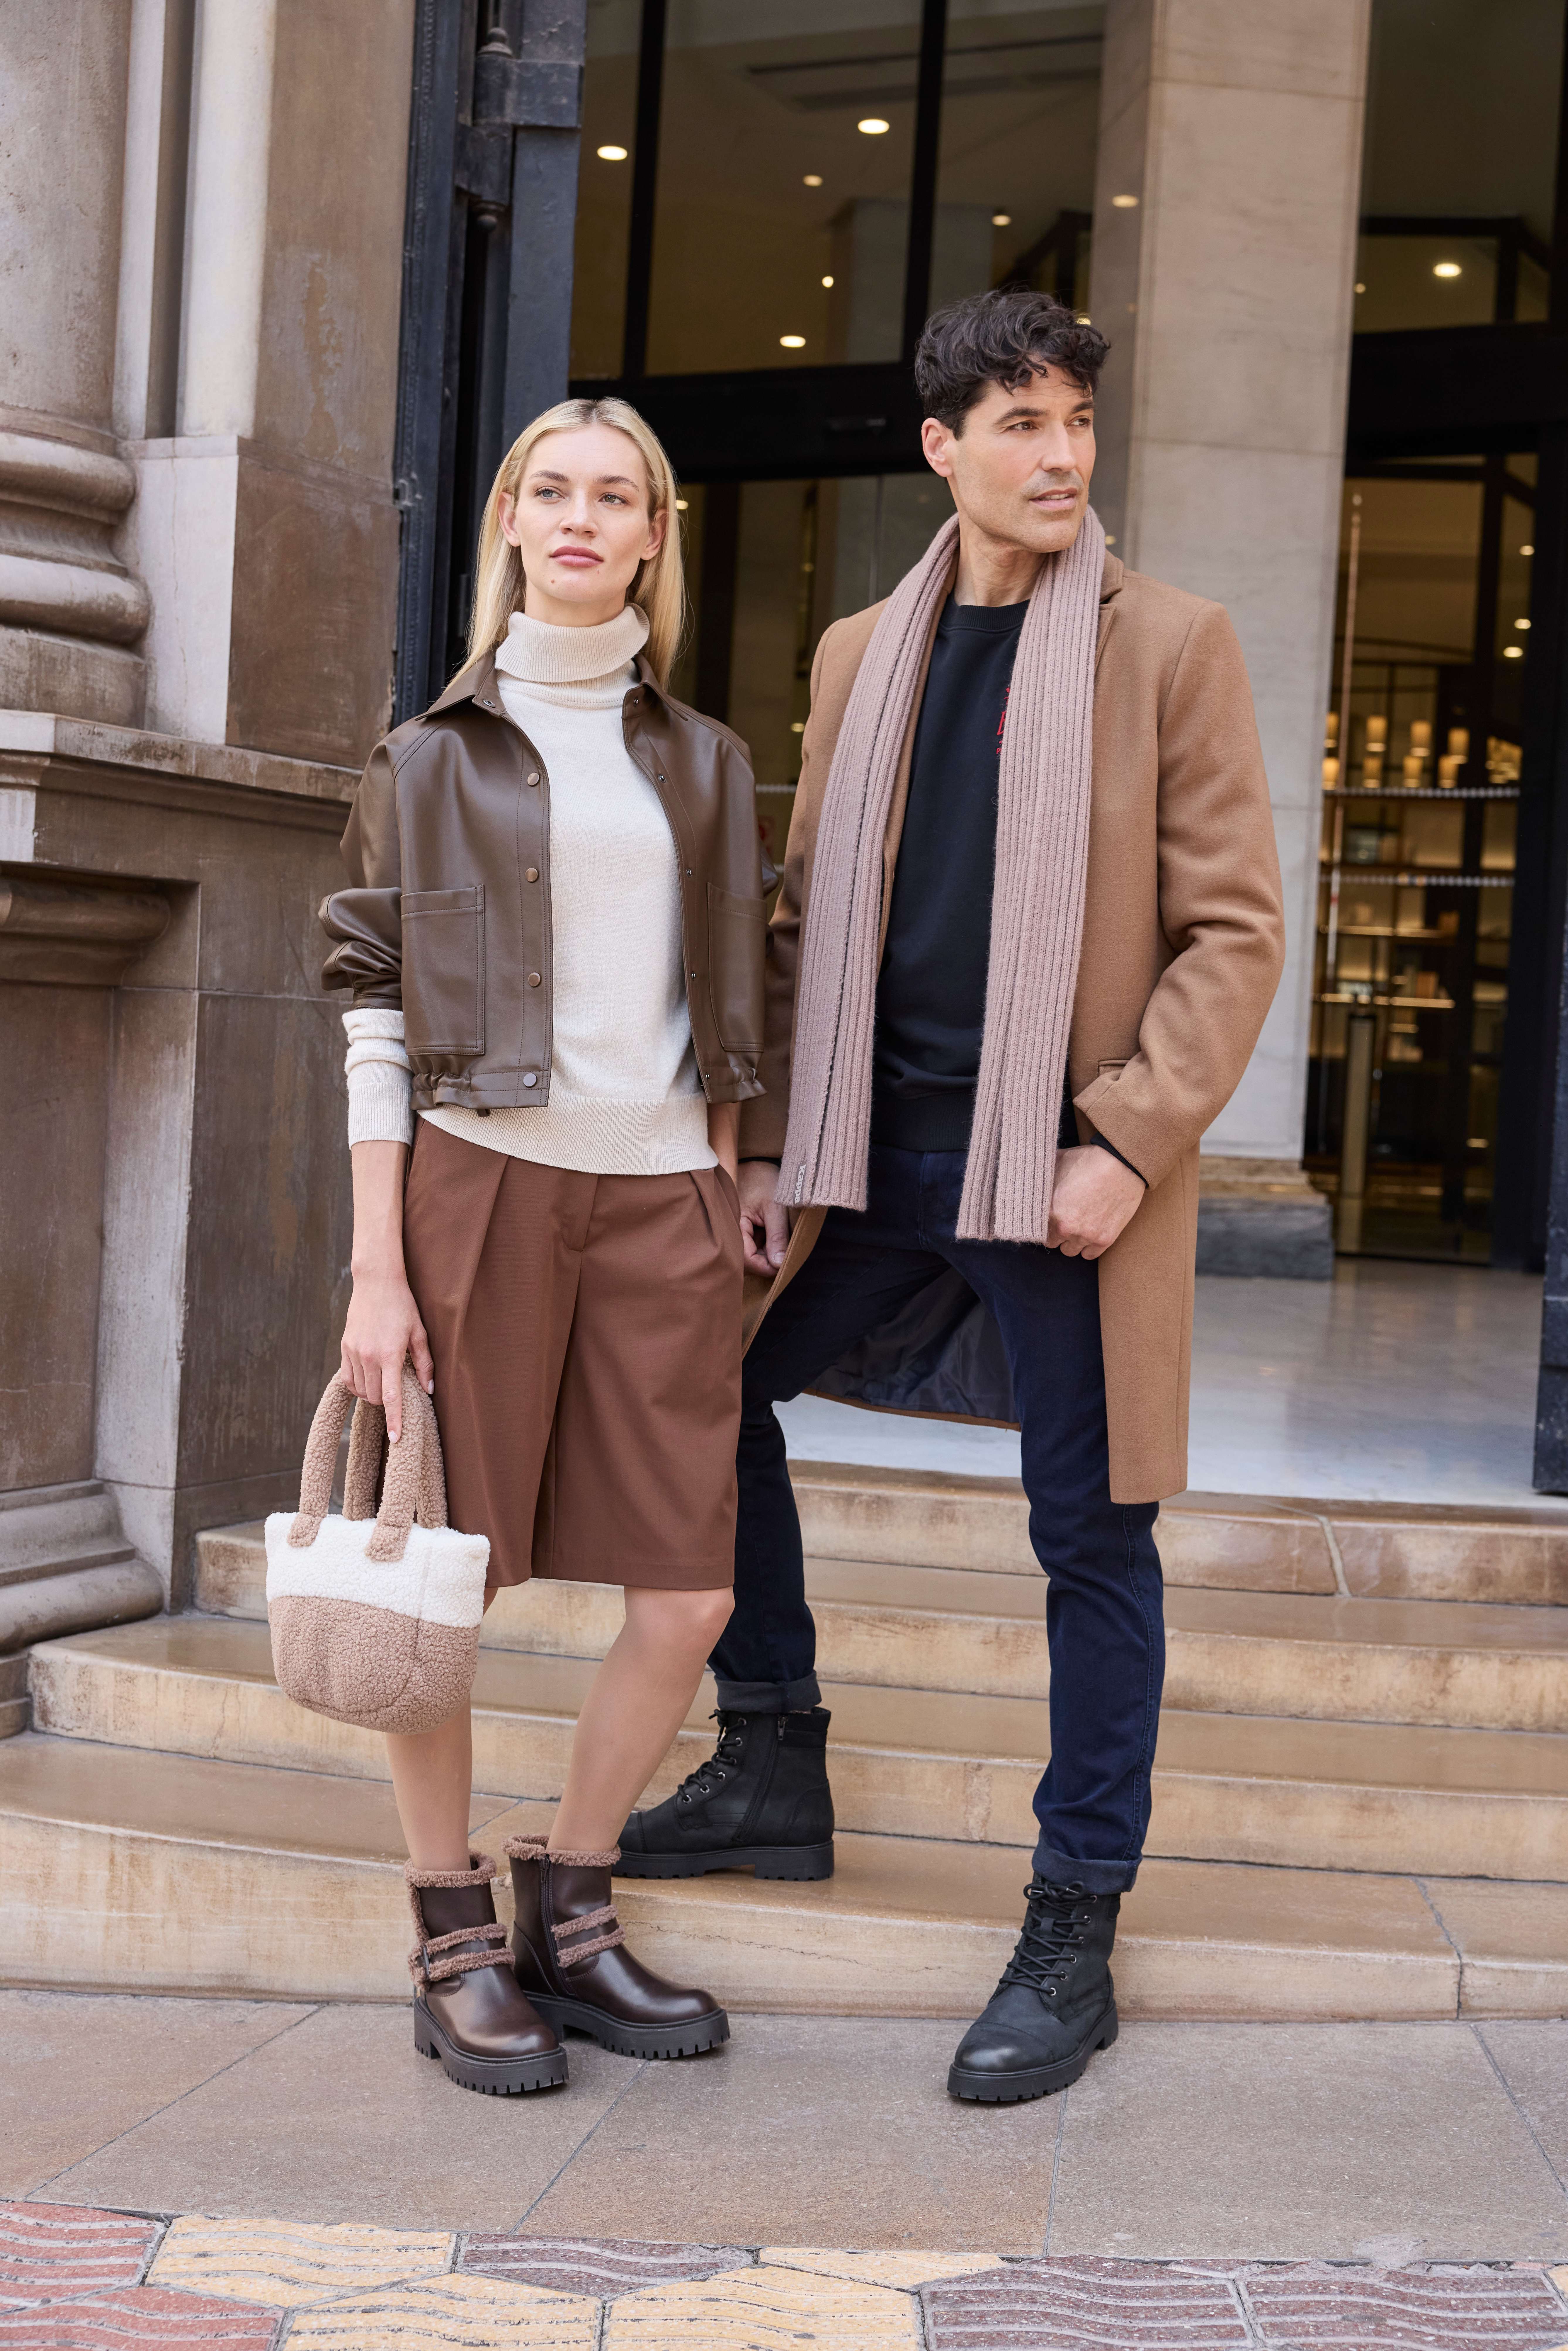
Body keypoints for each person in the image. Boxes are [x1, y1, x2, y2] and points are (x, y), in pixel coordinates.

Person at [619, 289, 1286, 2106]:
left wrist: (1125, 1140)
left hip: (1052, 1170)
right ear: (942, 449)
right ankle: (772, 1755)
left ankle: (1074, 1919)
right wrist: (768, 1143)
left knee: (1092, 1534)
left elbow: (1233, 932)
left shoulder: (1171, 644)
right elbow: (798, 916)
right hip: (866, 1158)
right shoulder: (863, 651)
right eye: (1020, 424)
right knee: (702, 1401)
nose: (1060, 456)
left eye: (1075, 421)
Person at [320, 396, 765, 2097]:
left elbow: (738, 988)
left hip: (663, 1199)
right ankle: (449, 1932)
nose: (582, 518)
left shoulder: (705, 759)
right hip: (475, 1188)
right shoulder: (427, 755)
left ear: (655, 534)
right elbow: (373, 1015)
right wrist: (377, 1268)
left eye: (616, 496)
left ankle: (569, 1908)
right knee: (441, 1578)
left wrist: (732, 1168)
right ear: (510, 518)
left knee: (691, 1588)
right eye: (552, 490)